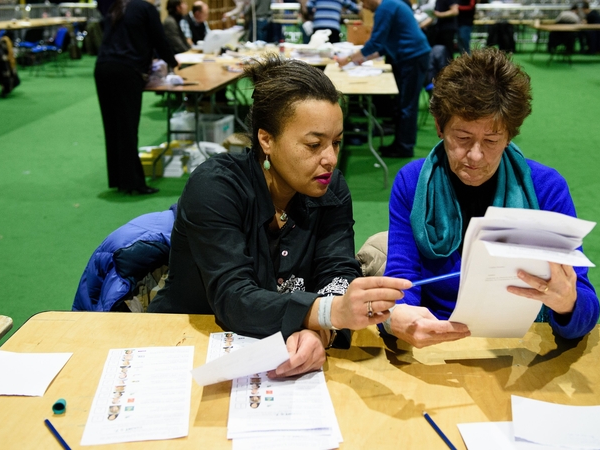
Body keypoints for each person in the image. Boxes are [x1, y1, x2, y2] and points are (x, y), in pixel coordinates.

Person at [147, 57, 410, 377]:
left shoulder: (331, 188)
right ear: (266, 140)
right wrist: (328, 313)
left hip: (279, 352)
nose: (330, 159)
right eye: (314, 144)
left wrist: (319, 332)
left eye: (336, 142)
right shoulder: (215, 188)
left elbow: (337, 272)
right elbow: (234, 298)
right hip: (184, 347)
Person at [383, 48, 600, 348]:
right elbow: (402, 279)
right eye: (461, 138)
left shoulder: (546, 188)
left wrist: (568, 304)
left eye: (491, 141)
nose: (474, 156)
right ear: (439, 127)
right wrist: (399, 316)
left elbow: (585, 306)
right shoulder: (413, 182)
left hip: (522, 342)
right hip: (435, 336)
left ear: (510, 136)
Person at [95, 0, 178, 195]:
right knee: (127, 127)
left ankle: (119, 179)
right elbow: (159, 39)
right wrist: (173, 62)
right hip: (126, 71)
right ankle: (133, 182)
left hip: (103, 68)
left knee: (113, 127)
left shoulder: (116, 6)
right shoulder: (146, 9)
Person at [337, 0, 431, 158]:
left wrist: (348, 59)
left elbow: (376, 42)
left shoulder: (385, 7)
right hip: (410, 57)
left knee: (407, 105)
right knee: (403, 104)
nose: (363, 7)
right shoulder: (390, 5)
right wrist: (358, 59)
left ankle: (404, 147)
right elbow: (382, 45)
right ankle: (401, 143)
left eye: (363, 2)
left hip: (413, 57)